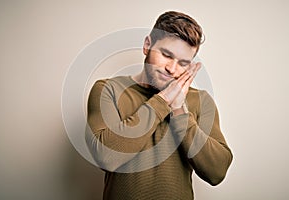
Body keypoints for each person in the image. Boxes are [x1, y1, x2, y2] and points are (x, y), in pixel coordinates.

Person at [86, 11, 233, 200]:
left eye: (183, 63)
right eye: (166, 55)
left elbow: (217, 172)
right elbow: (106, 157)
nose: (171, 69)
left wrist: (180, 111)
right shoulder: (108, 89)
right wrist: (162, 101)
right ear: (147, 45)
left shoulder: (201, 101)